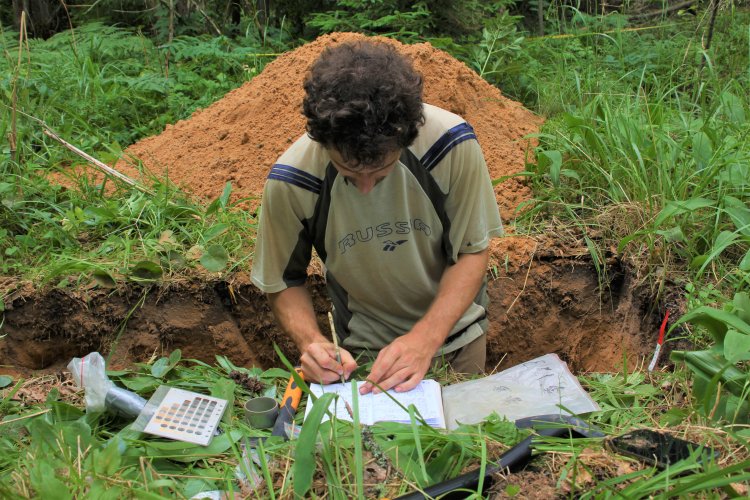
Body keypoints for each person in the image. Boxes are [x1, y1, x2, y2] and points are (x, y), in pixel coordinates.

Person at [250, 40, 503, 395]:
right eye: (349, 174)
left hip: (459, 343)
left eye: (381, 173)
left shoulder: (449, 144)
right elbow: (282, 280)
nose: (367, 189)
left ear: (406, 138)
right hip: (365, 359)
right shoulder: (293, 180)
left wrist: (424, 340)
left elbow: (472, 250)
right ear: (323, 143)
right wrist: (312, 343)